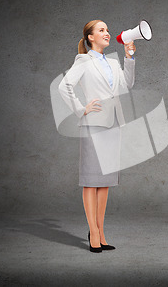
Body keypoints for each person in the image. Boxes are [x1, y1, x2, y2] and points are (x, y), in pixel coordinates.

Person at [58, 20, 136, 253]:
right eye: (101, 30)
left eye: (107, 30)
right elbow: (64, 87)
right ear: (90, 37)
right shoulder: (83, 61)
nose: (107, 33)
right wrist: (82, 108)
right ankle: (93, 231)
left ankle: (101, 232)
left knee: (105, 183)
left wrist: (129, 58)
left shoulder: (112, 62)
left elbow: (127, 85)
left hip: (113, 124)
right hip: (93, 125)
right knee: (91, 180)